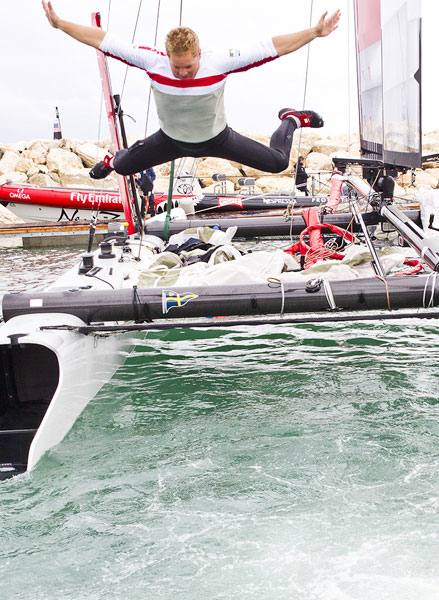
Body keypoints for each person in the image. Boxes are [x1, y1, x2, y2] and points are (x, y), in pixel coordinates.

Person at [42, 1, 340, 181]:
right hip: (170, 140)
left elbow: (272, 47)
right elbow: (103, 40)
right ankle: (110, 159)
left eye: (188, 67)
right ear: (167, 56)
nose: (183, 73)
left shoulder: (219, 63)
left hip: (219, 138)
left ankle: (290, 119)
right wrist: (59, 24)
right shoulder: (152, 61)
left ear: (199, 54)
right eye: (177, 67)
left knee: (277, 163)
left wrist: (314, 32)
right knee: (122, 166)